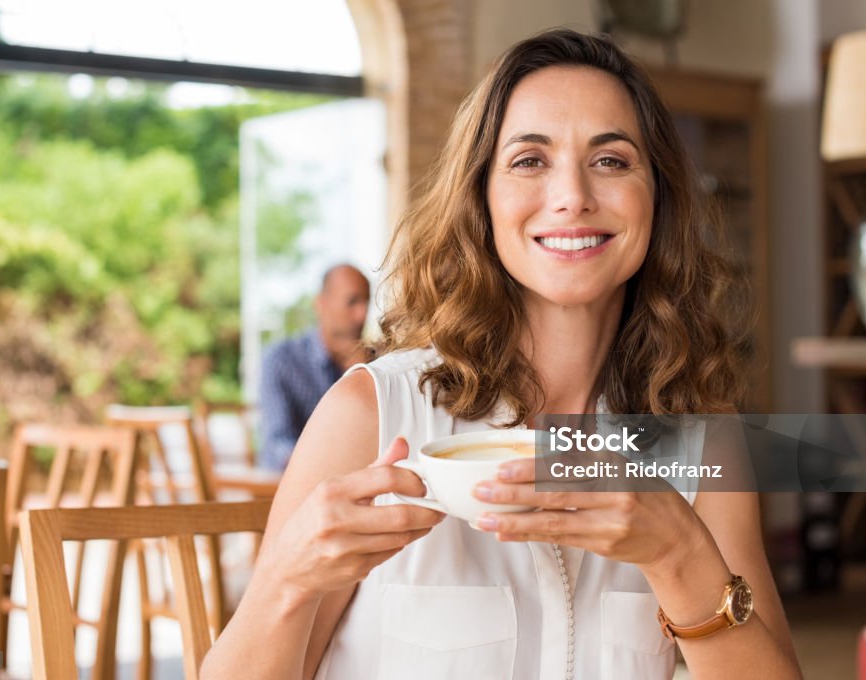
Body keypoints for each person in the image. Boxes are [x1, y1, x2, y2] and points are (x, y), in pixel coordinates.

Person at [204, 29, 802, 679]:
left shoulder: (701, 439)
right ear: (481, 199)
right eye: (529, 161)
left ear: (656, 198)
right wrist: (284, 585)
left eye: (611, 160)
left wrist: (679, 554)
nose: (572, 195)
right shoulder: (369, 413)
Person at [257, 263, 371, 471]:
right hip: (295, 489)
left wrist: (362, 377)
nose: (362, 314)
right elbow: (278, 444)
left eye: (366, 302)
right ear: (321, 303)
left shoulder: (377, 364)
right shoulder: (282, 360)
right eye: (352, 302)